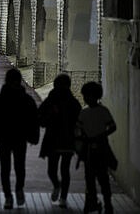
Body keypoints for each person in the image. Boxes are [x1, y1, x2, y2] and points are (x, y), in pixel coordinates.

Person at [0, 69, 39, 210]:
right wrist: (33, 137)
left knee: (5, 168)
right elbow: (33, 120)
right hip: (20, 138)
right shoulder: (27, 100)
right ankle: (19, 189)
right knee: (20, 166)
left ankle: (8, 196)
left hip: (3, 138)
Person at [38, 74, 82, 208]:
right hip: (67, 140)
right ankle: (61, 192)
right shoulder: (74, 103)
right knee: (63, 170)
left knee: (55, 170)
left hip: (53, 139)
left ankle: (60, 191)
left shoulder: (51, 100)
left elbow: (40, 116)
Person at [76, 82, 117, 214]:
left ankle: (95, 203)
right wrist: (101, 136)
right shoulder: (102, 111)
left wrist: (85, 139)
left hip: (91, 149)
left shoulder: (84, 112)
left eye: (88, 96)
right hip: (100, 147)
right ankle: (105, 204)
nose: (86, 98)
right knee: (100, 178)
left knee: (93, 178)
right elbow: (112, 127)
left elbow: (78, 130)